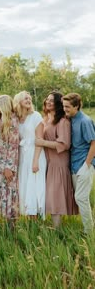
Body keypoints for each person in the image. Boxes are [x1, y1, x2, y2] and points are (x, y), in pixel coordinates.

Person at [36, 91, 78, 228]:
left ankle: (56, 229)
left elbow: (64, 144)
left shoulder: (63, 121)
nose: (48, 102)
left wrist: (42, 142)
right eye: (47, 99)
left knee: (55, 195)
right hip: (48, 162)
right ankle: (54, 226)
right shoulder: (46, 119)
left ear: (58, 104)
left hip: (59, 162)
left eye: (52, 100)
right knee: (50, 194)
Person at [63, 93, 95, 234]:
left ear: (76, 106)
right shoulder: (71, 119)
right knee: (80, 198)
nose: (65, 109)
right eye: (64, 106)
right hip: (74, 165)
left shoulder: (85, 121)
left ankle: (88, 231)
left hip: (84, 165)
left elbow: (93, 143)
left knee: (81, 197)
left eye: (68, 107)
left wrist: (86, 165)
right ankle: (87, 227)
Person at [13, 91, 46, 219]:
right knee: (24, 185)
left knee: (34, 186)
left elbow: (39, 140)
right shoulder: (16, 118)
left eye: (29, 98)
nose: (28, 100)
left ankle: (35, 218)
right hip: (23, 155)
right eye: (25, 98)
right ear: (18, 101)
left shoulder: (36, 116)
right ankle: (27, 217)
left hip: (35, 154)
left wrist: (35, 161)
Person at [0, 95, 19, 222]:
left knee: (8, 193)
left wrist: (9, 167)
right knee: (1, 194)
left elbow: (13, 146)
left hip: (6, 165)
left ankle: (11, 227)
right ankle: (4, 225)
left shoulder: (12, 121)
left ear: (3, 105)